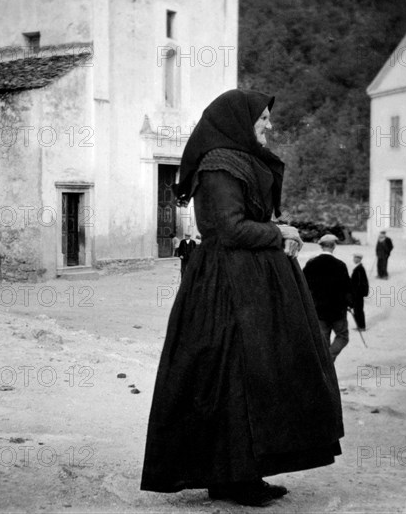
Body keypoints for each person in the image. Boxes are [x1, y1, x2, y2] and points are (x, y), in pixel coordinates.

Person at [141, 90, 343, 507]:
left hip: (249, 285)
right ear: (238, 121)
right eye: (263, 118)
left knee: (255, 378)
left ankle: (240, 473)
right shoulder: (218, 167)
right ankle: (232, 477)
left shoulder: (238, 160)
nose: (269, 125)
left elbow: (249, 221)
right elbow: (228, 230)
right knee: (232, 378)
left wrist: (278, 233)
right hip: (225, 291)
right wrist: (279, 233)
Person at [303, 234, 352, 362]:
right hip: (338, 310)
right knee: (342, 337)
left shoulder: (311, 264)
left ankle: (326, 366)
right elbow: (347, 288)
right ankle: (329, 360)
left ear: (321, 246)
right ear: (334, 246)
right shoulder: (340, 265)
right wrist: (350, 304)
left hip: (318, 310)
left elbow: (303, 286)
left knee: (323, 341)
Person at [350, 253, 369, 331]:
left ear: (358, 259)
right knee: (356, 310)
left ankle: (361, 326)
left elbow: (358, 283)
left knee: (358, 310)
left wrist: (354, 292)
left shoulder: (359, 269)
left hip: (357, 294)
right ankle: (359, 325)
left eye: (355, 258)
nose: (353, 259)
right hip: (357, 293)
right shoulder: (358, 268)